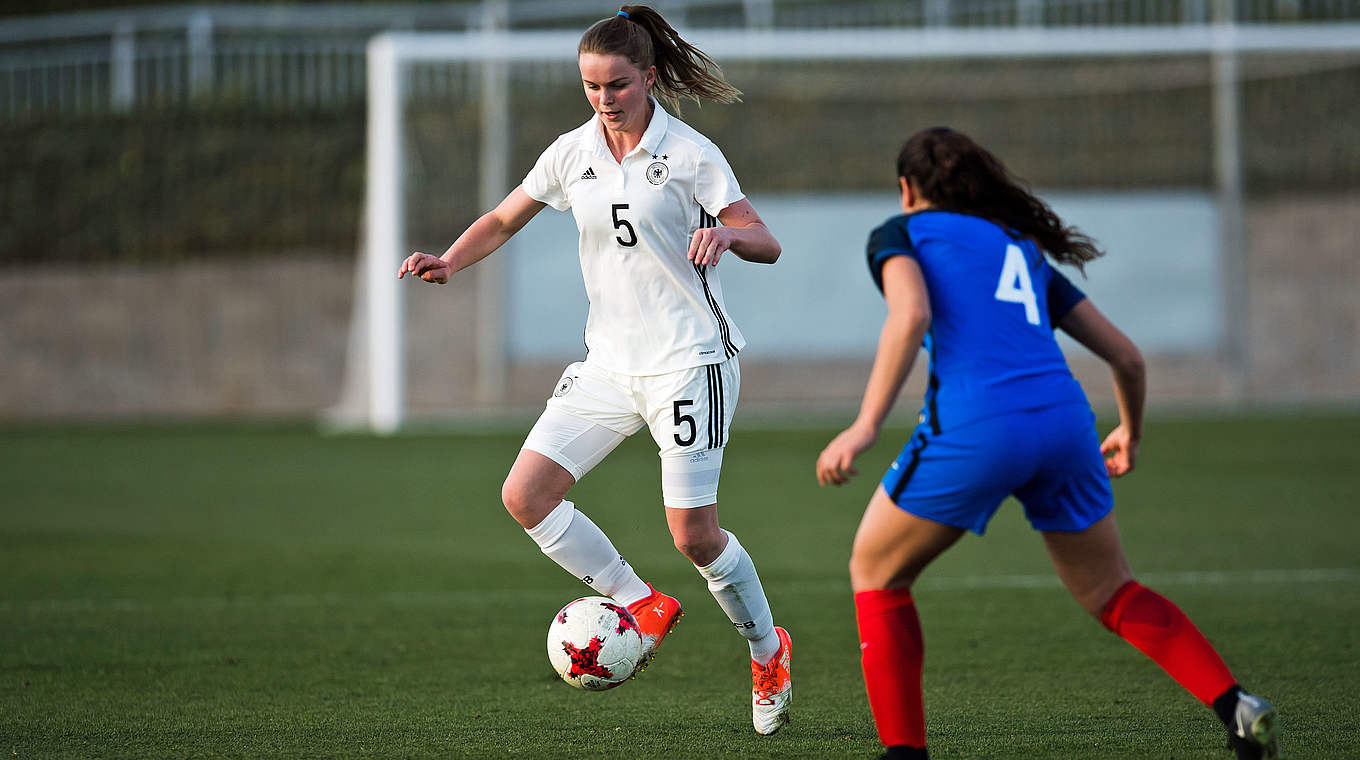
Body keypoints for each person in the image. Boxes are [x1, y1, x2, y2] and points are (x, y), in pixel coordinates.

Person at [815, 127, 1280, 760]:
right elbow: (1127, 357)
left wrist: (865, 424)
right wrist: (1130, 432)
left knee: (876, 571)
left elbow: (912, 313)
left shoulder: (902, 234)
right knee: (1112, 590)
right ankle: (1236, 705)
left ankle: (905, 753)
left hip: (980, 426)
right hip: (1067, 425)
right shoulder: (1022, 249)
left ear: (906, 190)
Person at [398, 5, 792, 736]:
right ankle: (637, 601)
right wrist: (449, 258)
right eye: (590, 86)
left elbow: (764, 238)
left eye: (616, 84)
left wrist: (728, 241)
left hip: (688, 361)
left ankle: (768, 651)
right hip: (609, 362)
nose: (604, 99)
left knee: (695, 538)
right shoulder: (571, 151)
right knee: (526, 495)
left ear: (648, 77)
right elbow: (504, 218)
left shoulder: (691, 153)